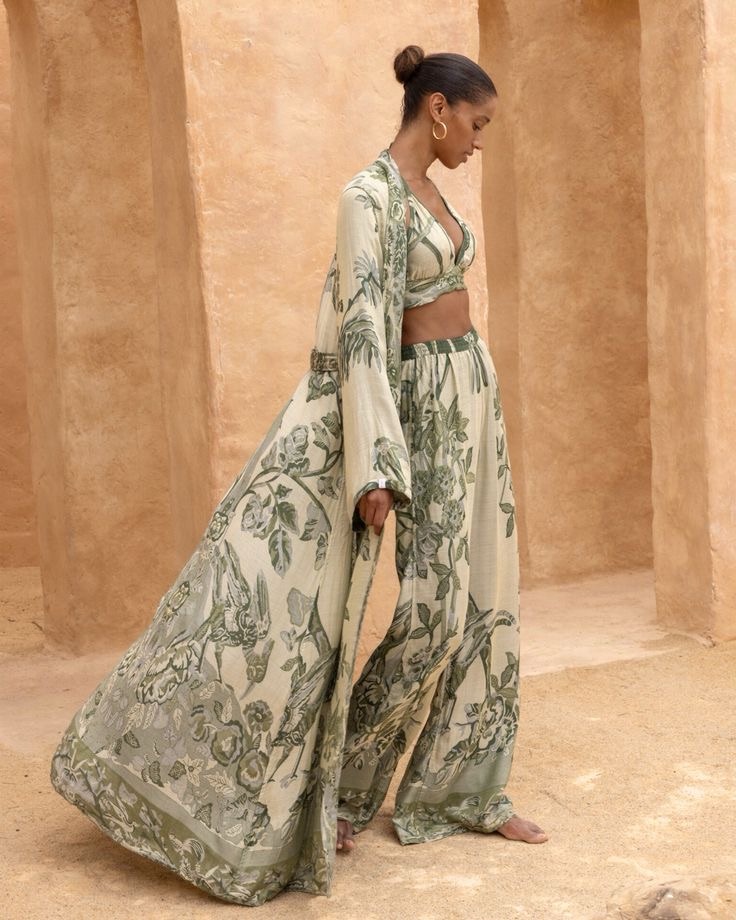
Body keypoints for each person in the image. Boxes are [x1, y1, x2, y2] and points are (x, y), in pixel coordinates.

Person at [49, 45, 547, 908]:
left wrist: (474, 397)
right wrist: (376, 461)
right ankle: (344, 786)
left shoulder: (433, 192)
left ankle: (461, 788)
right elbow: (363, 328)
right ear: (437, 108)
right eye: (477, 123)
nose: (480, 141)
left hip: (470, 397)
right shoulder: (368, 197)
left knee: (481, 596)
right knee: (429, 612)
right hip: (413, 412)